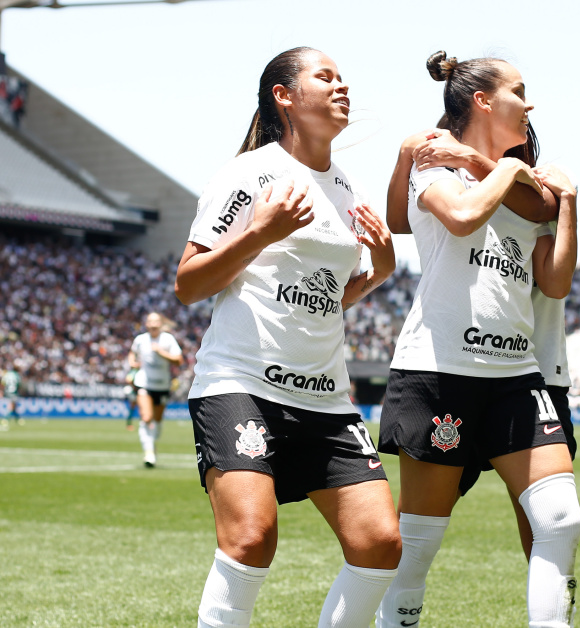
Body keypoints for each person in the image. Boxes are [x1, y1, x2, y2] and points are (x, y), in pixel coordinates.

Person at [174, 47, 401, 628]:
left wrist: (377, 273)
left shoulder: (345, 186)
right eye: (325, 77)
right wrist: (261, 233)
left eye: (343, 78)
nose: (341, 86)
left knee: (379, 542)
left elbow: (327, 296)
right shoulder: (248, 173)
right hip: (240, 383)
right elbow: (188, 283)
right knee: (252, 538)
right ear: (284, 96)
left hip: (324, 397)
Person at [375, 51, 580, 628]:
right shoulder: (436, 162)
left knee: (560, 519)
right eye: (520, 90)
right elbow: (462, 217)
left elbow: (556, 281)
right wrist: (506, 170)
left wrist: (565, 201)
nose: (531, 102)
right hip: (441, 370)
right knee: (417, 544)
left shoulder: (525, 188)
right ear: (483, 100)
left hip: (518, 375)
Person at [127, 312, 183, 466]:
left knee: (157, 422)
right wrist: (132, 363)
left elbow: (178, 360)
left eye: (156, 321)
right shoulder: (140, 340)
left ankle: (152, 443)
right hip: (144, 383)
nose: (153, 324)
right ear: (146, 324)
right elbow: (132, 353)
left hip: (162, 385)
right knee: (146, 417)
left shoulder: (168, 339)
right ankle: (149, 453)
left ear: (161, 324)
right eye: (150, 321)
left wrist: (161, 352)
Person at [123, 366, 139, 430]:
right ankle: (129, 424)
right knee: (134, 407)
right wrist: (134, 385)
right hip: (134, 392)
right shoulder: (134, 372)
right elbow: (128, 380)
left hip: (137, 391)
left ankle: (129, 424)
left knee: (135, 407)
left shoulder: (135, 371)